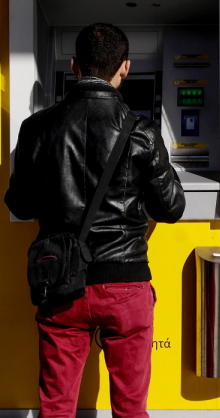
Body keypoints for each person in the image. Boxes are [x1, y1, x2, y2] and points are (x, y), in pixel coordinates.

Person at [5, 23, 185, 418]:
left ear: (73, 65)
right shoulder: (142, 131)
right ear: (125, 67)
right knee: (130, 408)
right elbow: (171, 209)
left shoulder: (36, 128)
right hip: (125, 284)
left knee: (56, 407)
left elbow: (20, 204)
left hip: (62, 282)